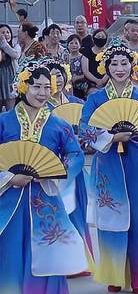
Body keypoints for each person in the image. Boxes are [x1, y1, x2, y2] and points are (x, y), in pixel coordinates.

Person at [0, 57, 86, 294]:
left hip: (45, 202)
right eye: (35, 85)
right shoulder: (4, 121)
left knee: (46, 265)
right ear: (23, 86)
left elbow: (75, 156)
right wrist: (8, 177)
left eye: (45, 87)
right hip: (9, 203)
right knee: (10, 262)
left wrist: (55, 173)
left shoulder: (59, 126)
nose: (40, 91)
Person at [79, 39, 138, 294]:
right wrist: (110, 137)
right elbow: (85, 128)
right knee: (112, 218)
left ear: (132, 65)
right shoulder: (96, 98)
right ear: (105, 67)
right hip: (109, 163)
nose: (119, 68)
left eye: (124, 63)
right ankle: (114, 273)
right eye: (113, 63)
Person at [44, 57, 93, 277]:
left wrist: (83, 138)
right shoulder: (40, 106)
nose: (57, 79)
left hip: (72, 165)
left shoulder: (75, 102)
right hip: (47, 168)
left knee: (75, 212)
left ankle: (78, 260)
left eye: (60, 74)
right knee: (56, 211)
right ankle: (58, 259)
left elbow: (88, 129)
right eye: (52, 76)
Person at [81, 29, 108, 95]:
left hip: (107, 81)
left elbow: (111, 68)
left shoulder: (109, 52)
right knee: (95, 94)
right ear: (93, 39)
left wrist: (103, 80)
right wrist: (97, 81)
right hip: (91, 83)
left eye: (103, 37)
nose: (100, 38)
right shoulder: (87, 52)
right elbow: (85, 71)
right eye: (98, 37)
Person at [0, 24, 20, 111]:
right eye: (3, 32)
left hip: (11, 80)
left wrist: (4, 44)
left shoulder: (16, 46)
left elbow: (15, 55)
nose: (6, 34)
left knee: (10, 109)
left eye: (8, 32)